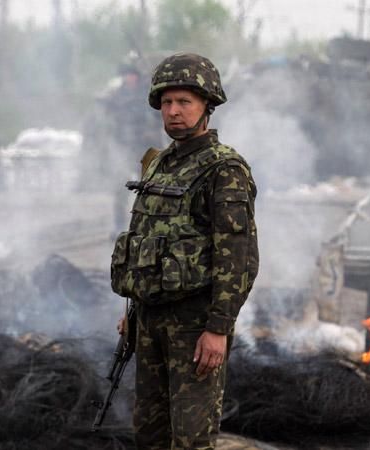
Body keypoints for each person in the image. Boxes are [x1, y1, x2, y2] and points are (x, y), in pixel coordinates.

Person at [110, 53, 258, 449]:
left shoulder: (224, 169)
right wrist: (133, 309)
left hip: (194, 324)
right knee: (150, 433)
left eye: (184, 102)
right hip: (151, 319)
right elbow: (144, 239)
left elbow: (237, 256)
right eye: (167, 102)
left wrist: (217, 328)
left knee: (190, 439)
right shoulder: (158, 164)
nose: (173, 112)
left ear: (207, 105)